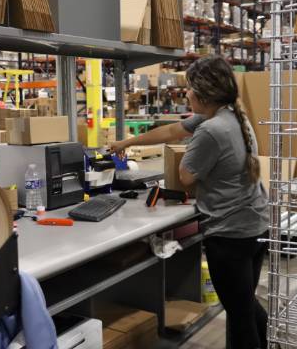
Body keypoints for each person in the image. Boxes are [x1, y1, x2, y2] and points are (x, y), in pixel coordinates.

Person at [110, 55, 270, 349]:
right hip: (254, 224)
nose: (186, 93)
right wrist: (127, 143)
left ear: (204, 94)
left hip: (230, 233)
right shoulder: (231, 115)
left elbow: (185, 177)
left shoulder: (211, 130)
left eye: (190, 89)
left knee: (240, 313)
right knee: (245, 304)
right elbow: (172, 131)